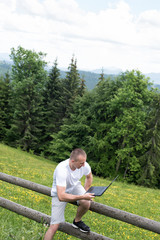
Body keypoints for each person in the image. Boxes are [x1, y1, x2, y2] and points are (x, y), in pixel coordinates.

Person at [44, 148, 94, 240]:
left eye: (84, 162)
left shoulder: (84, 165)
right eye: (81, 163)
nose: (84, 165)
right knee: (54, 226)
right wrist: (83, 196)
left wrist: (85, 192)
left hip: (74, 186)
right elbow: (61, 196)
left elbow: (89, 177)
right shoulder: (62, 169)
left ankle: (77, 221)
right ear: (72, 161)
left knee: (86, 202)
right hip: (60, 192)